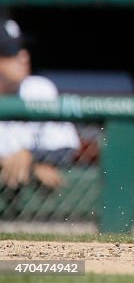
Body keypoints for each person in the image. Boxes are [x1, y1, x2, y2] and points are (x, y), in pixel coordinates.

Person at [0, 18, 80, 191]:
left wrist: (31, 158)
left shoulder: (40, 88)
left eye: (23, 48)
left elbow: (68, 147)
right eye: (11, 50)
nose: (23, 57)